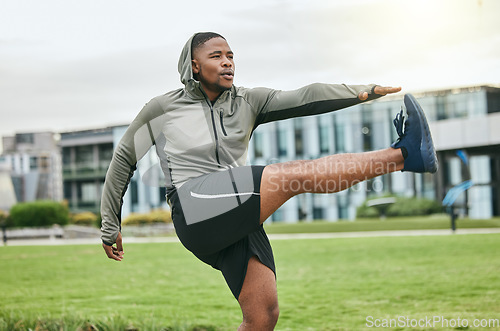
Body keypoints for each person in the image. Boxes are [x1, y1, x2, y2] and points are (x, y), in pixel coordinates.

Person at [100, 32, 438, 330]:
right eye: (216, 56)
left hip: (235, 211)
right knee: (293, 175)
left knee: (263, 317)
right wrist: (109, 222)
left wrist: (363, 91)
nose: (228, 62)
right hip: (193, 207)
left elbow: (305, 97)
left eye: (231, 55)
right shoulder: (162, 108)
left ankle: (407, 155)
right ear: (194, 66)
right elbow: (123, 158)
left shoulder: (249, 101)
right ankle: (405, 155)